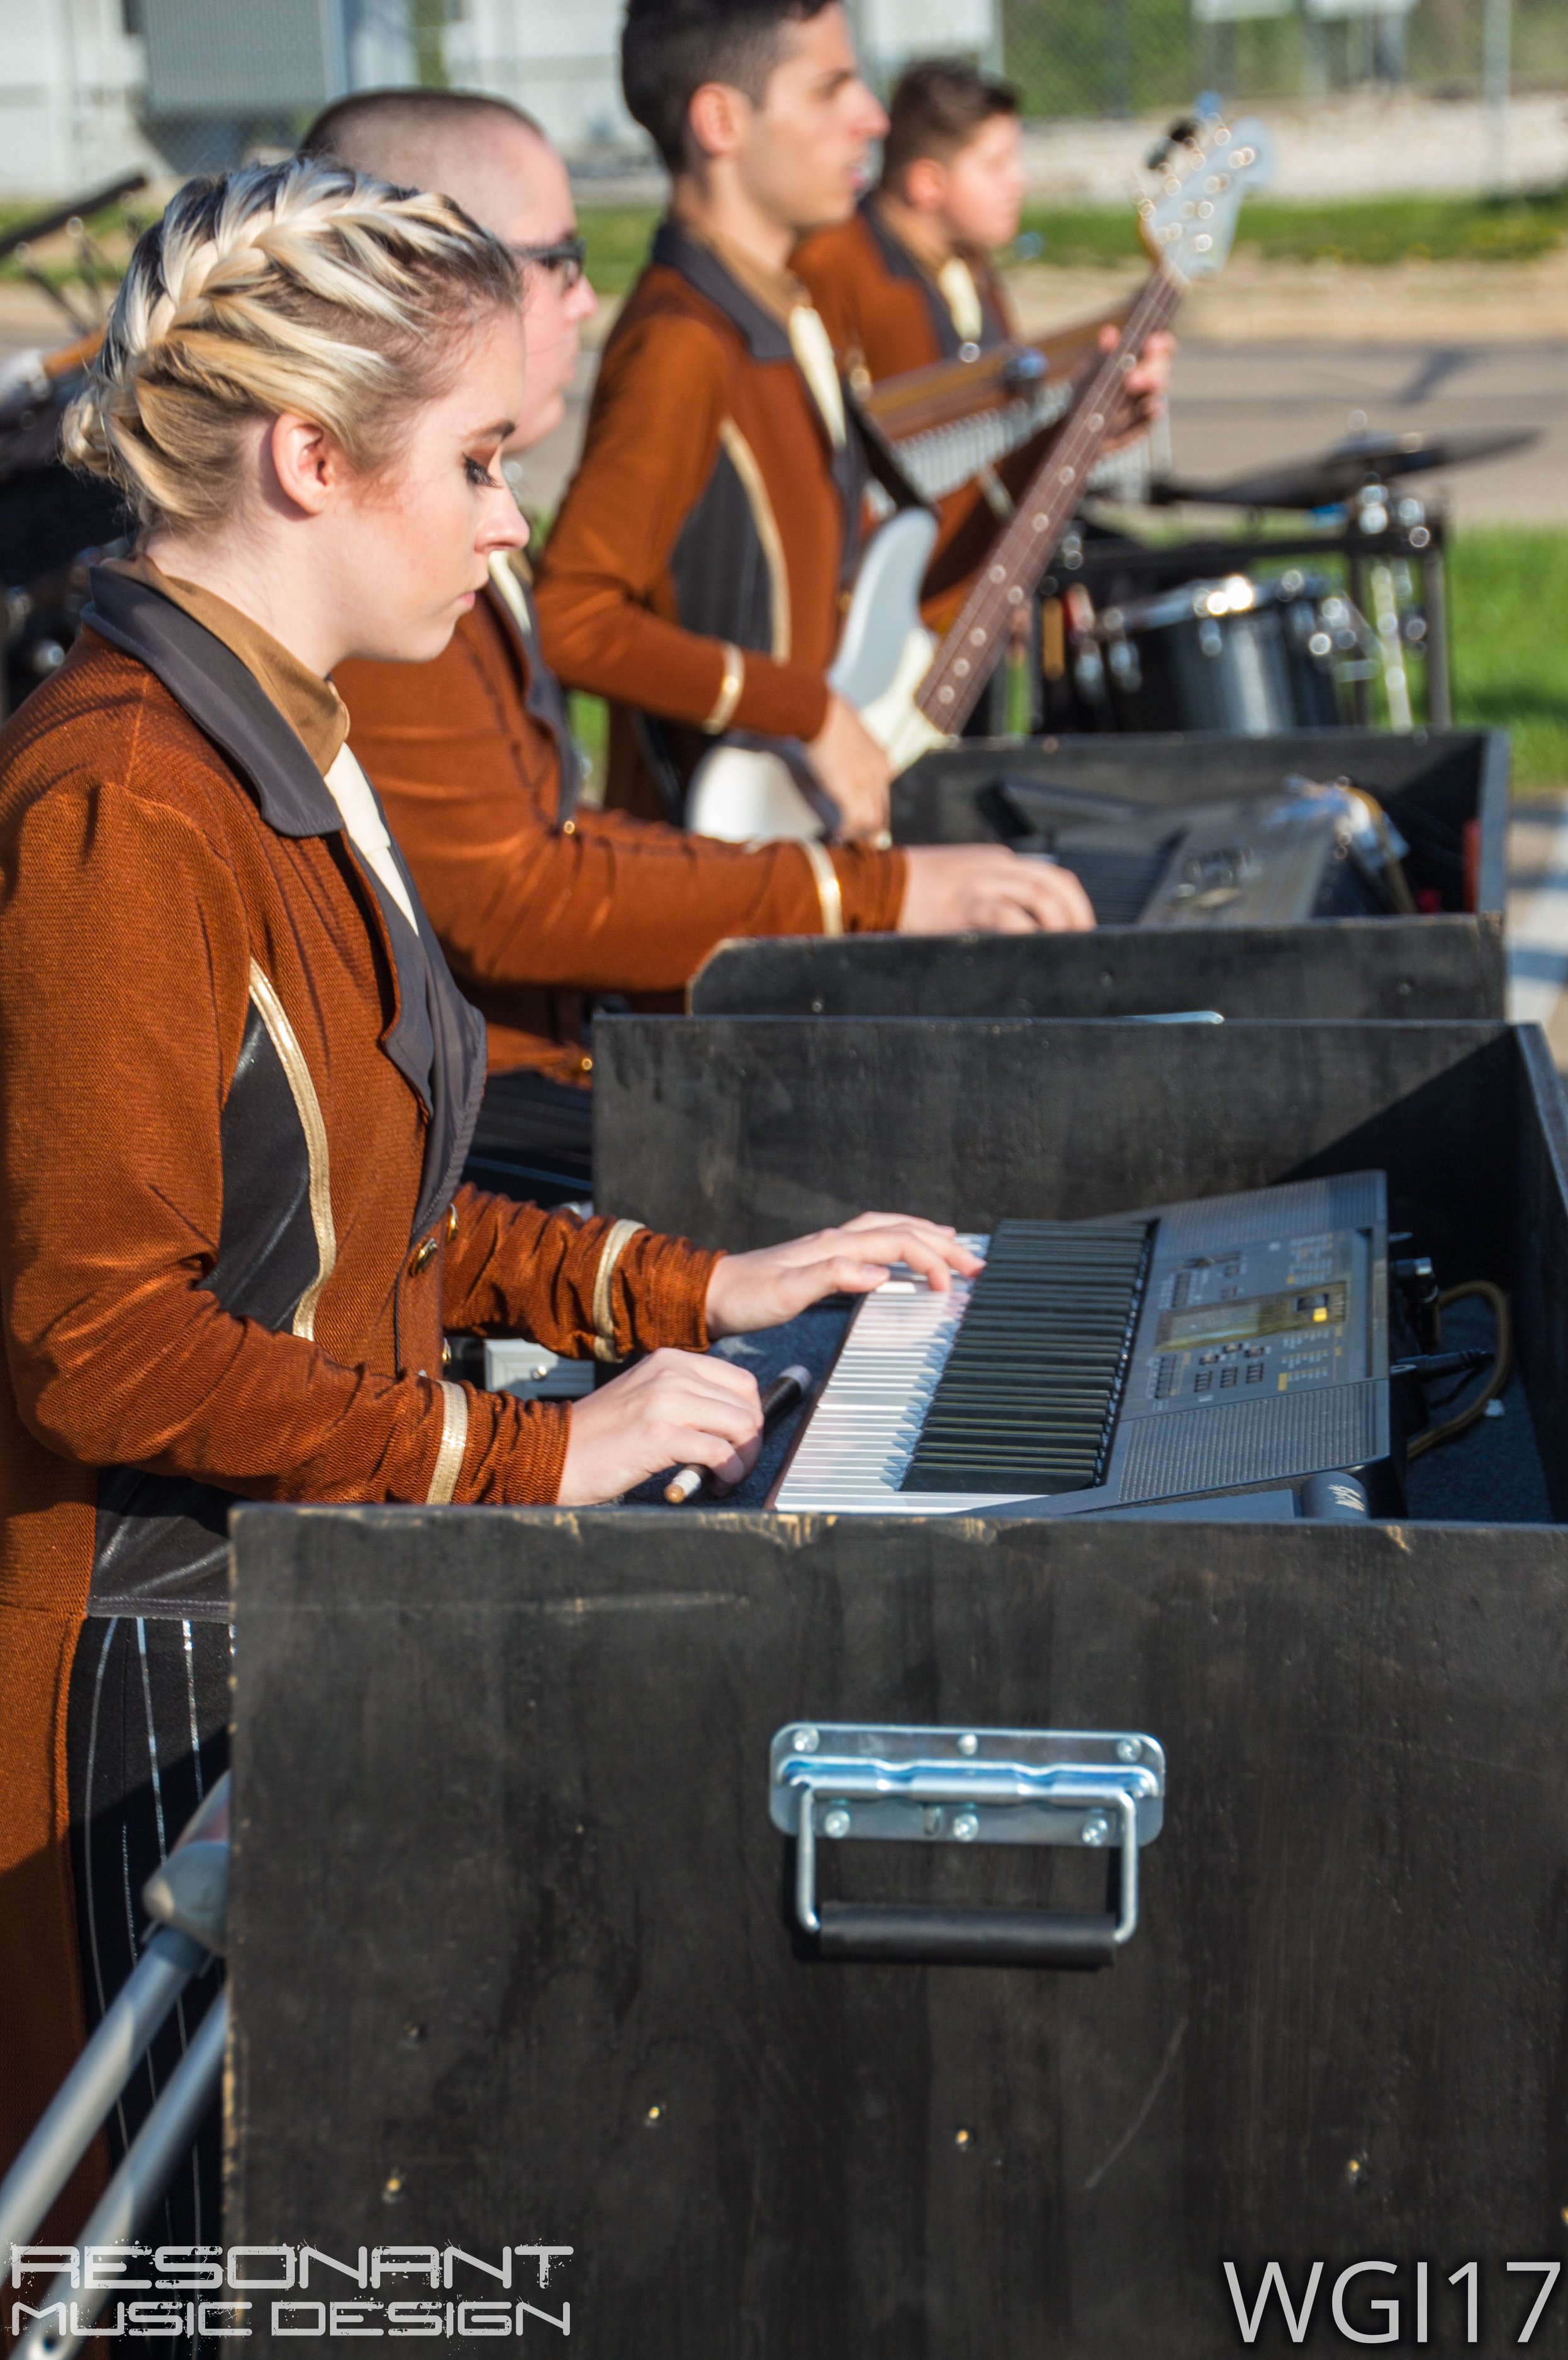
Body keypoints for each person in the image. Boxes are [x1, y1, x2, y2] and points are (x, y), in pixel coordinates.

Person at [0, 156, 982, 2223]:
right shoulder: (121, 805)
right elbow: (107, 1347)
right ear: (307, 461)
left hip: (279, 1621)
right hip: (120, 1700)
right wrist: (527, 1454)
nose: (510, 522)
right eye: (478, 463)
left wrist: (696, 1291)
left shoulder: (274, 745)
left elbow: (376, 1215)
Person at [296, 89, 1095, 1192]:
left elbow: (542, 843)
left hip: (569, 1020)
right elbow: (518, 893)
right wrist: (856, 870)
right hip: (502, 1101)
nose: (586, 301)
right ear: (432, 271)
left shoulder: (778, 310)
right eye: (559, 260)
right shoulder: (390, 556)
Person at [534, 1, 1077, 853]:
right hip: (723, 864)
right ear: (721, 120)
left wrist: (1075, 441)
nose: (871, 117)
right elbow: (570, 617)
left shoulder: (782, 313)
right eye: (831, 90)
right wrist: (804, 708)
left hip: (809, 848)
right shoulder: (684, 344)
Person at [795, 57, 1173, 620]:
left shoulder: (971, 269)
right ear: (927, 182)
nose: (1018, 179)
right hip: (894, 603)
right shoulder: (833, 268)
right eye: (996, 163)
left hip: (978, 577)